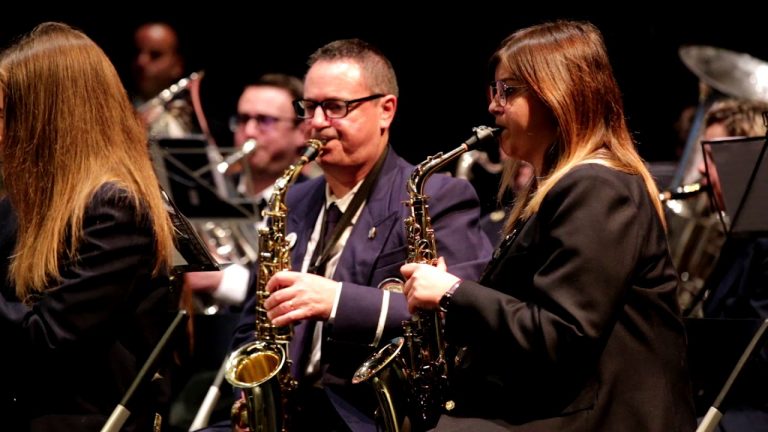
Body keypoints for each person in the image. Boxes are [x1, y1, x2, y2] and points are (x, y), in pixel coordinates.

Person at [399, 21, 697, 431]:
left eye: (509, 91)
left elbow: (564, 333)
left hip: (600, 416)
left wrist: (452, 293)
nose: (493, 106)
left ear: (558, 94)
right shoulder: (563, 186)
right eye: (494, 90)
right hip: (560, 404)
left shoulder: (596, 186)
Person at [218, 38, 492, 432]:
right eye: (309, 108)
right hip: (287, 412)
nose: (317, 122)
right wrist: (250, 394)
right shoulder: (293, 198)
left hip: (367, 415)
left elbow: (462, 315)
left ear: (386, 110)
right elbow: (255, 317)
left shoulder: (437, 197)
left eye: (335, 107)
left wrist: (338, 301)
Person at [0, 22, 178, 431]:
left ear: (46, 119)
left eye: (5, 114)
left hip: (80, 418)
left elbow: (49, 339)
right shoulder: (25, 202)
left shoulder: (115, 209)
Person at [184, 73, 310, 309]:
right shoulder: (212, 193)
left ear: (301, 132)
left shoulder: (313, 202)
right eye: (242, 119)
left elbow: (302, 290)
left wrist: (221, 279)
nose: (249, 131)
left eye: (265, 120)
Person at [692, 98, 768, 432]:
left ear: (748, 161)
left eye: (712, 156)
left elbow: (757, 363)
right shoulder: (743, 237)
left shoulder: (763, 242)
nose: (700, 170)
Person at [131, 21, 199, 138]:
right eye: (135, 52)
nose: (141, 62)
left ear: (177, 65)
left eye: (155, 55)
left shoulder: (196, 120)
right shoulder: (112, 111)